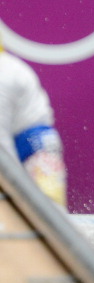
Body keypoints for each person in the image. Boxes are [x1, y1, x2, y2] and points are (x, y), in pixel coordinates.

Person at [0, 39, 67, 206]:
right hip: (41, 146)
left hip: (34, 148)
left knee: (51, 218)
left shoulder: (5, 74)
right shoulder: (13, 66)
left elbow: (2, 145)